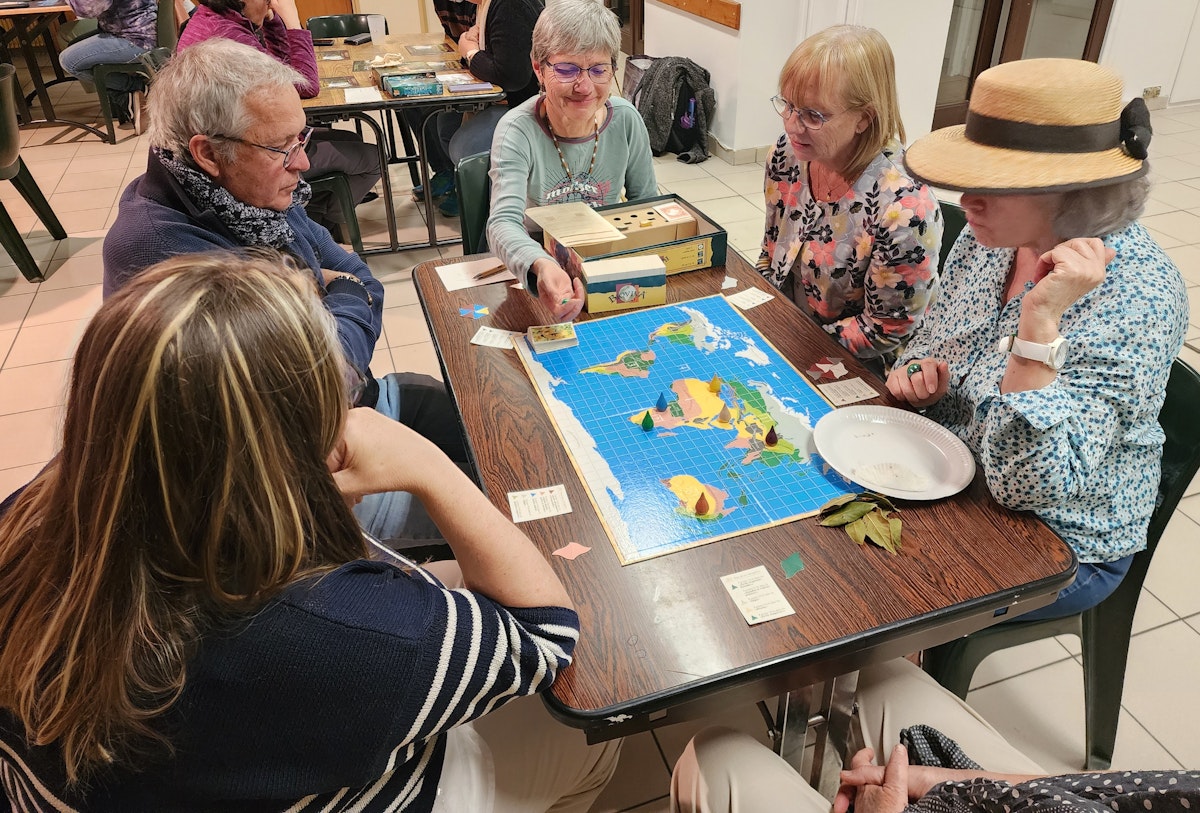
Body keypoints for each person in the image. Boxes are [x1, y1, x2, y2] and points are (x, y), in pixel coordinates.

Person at [0, 251, 620, 810]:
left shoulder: (29, 516)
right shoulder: (335, 638)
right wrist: (428, 468)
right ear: (297, 449)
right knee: (588, 741)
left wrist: (437, 584)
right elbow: (546, 634)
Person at [102, 38, 462, 551]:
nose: (302, 163)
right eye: (281, 147)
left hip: (356, 411)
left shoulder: (247, 192)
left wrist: (335, 298)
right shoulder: (162, 250)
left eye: (302, 139)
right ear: (207, 152)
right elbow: (320, 379)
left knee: (487, 428)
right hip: (298, 480)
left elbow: (359, 277)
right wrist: (342, 299)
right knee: (498, 500)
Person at [888, 58, 1188, 620]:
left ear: (1074, 193)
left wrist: (1040, 323)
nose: (967, 201)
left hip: (1058, 537)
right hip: (955, 467)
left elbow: (1030, 485)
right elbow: (928, 344)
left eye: (995, 185)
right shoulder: (990, 236)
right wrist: (919, 380)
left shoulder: (1140, 294)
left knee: (878, 594)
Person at [669, 658, 1200, 813]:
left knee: (713, 754)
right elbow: (1090, 792)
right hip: (1031, 801)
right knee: (882, 670)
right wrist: (947, 777)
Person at [757, 25, 941, 376]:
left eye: (813, 115)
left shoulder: (905, 209)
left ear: (863, 118)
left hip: (863, 367)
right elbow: (770, 253)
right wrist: (760, 319)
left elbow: (885, 331)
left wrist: (789, 346)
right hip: (787, 335)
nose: (792, 126)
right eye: (788, 105)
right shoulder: (787, 155)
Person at [487, 0, 657, 322]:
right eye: (566, 69)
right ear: (538, 67)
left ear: (613, 68)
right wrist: (542, 265)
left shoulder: (626, 120)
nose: (584, 86)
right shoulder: (516, 130)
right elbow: (502, 223)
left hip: (606, 262)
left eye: (599, 69)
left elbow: (646, 205)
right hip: (540, 265)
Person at [176, 0, 382, 236]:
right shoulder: (228, 40)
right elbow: (304, 85)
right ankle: (326, 221)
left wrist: (272, 23)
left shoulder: (217, 21)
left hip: (248, 137)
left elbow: (282, 69)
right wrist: (293, 23)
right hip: (246, 155)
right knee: (373, 157)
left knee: (351, 139)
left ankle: (318, 214)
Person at [412, 0, 543, 219]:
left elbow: (511, 78)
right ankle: (466, 190)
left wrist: (471, 52)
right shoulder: (485, 6)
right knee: (445, 124)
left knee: (463, 147)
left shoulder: (511, 5)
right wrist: (474, 40)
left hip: (524, 104)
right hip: (502, 98)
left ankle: (489, 208)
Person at [60, 0, 157, 128]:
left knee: (69, 61)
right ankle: (130, 99)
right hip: (138, 30)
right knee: (74, 47)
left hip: (135, 40)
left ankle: (137, 88)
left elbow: (88, 9)